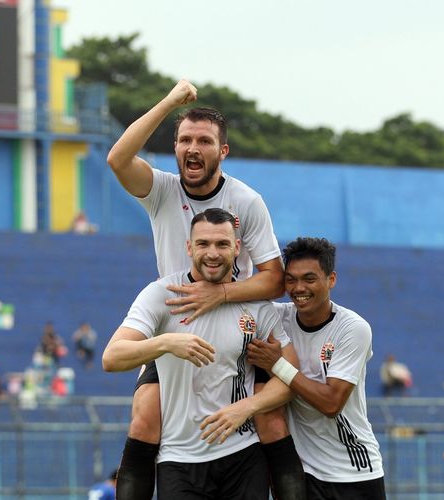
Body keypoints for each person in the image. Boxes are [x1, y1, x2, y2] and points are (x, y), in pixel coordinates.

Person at [106, 80, 302, 498]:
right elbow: (118, 159)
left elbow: (274, 278)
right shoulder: (161, 190)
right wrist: (171, 101)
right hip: (176, 322)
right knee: (144, 415)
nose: (193, 148)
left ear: (222, 151)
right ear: (175, 147)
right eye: (185, 140)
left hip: (238, 325)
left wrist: (221, 294)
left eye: (204, 141)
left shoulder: (246, 200)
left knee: (269, 420)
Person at [103, 209, 299, 499]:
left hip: (242, 455)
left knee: (275, 421)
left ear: (236, 248)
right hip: (180, 459)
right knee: (142, 419)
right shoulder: (161, 294)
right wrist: (167, 343)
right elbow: (112, 357)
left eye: (222, 244)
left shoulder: (257, 307)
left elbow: (291, 377)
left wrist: (246, 407)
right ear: (189, 247)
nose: (212, 253)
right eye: (203, 244)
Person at [243, 237, 386, 499]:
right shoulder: (276, 318)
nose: (299, 288)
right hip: (303, 474)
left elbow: (331, 403)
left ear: (331, 279)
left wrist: (277, 364)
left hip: (353, 471)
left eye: (309, 279)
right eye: (291, 279)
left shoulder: (352, 328)